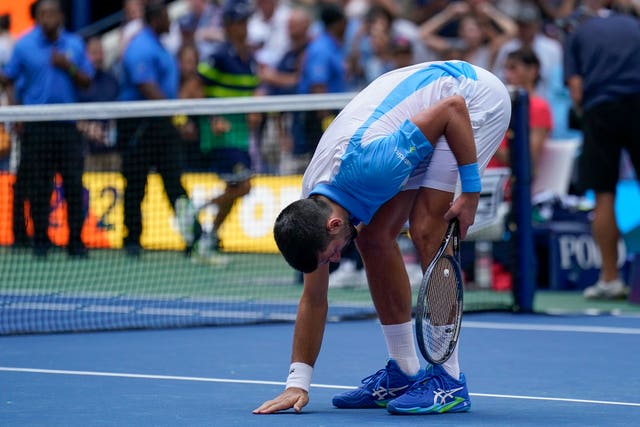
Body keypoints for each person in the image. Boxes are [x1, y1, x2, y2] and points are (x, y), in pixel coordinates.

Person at [253, 60, 511, 415]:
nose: (333, 261)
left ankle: (449, 382)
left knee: (426, 228)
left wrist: (471, 191)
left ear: (333, 226)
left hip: (472, 97)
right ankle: (404, 371)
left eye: (329, 255)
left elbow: (452, 110)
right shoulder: (313, 208)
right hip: (416, 114)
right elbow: (314, 299)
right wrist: (297, 383)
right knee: (372, 238)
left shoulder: (376, 166)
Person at [0, 0, 94, 258]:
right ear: (37, 17)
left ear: (61, 16)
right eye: (42, 14)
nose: (47, 18)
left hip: (67, 125)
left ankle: (76, 242)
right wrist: (16, 110)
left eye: (51, 13)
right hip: (37, 126)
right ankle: (40, 241)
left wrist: (68, 65)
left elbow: (87, 80)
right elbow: (8, 78)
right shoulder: (24, 45)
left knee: (73, 184)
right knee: (39, 186)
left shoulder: (74, 45)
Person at [564, 0, 640, 300]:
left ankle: (610, 278)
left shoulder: (578, 32)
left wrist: (585, 115)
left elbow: (576, 89)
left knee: (604, 195)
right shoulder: (635, 25)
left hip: (599, 111)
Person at [118, 0, 197, 257]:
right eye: (165, 17)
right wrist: (176, 117)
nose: (169, 21)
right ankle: (131, 240)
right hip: (140, 125)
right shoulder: (141, 46)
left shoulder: (159, 45)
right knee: (135, 185)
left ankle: (193, 237)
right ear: (154, 19)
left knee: (174, 183)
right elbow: (147, 87)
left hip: (160, 124)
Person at [189, 0, 260, 261]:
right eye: (240, 22)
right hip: (221, 136)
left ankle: (207, 239)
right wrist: (213, 116)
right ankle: (197, 208)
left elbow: (250, 94)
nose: (245, 27)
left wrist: (254, 110)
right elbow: (193, 91)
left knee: (234, 190)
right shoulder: (217, 56)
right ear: (229, 26)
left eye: (246, 22)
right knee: (244, 186)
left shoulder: (250, 60)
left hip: (241, 136)